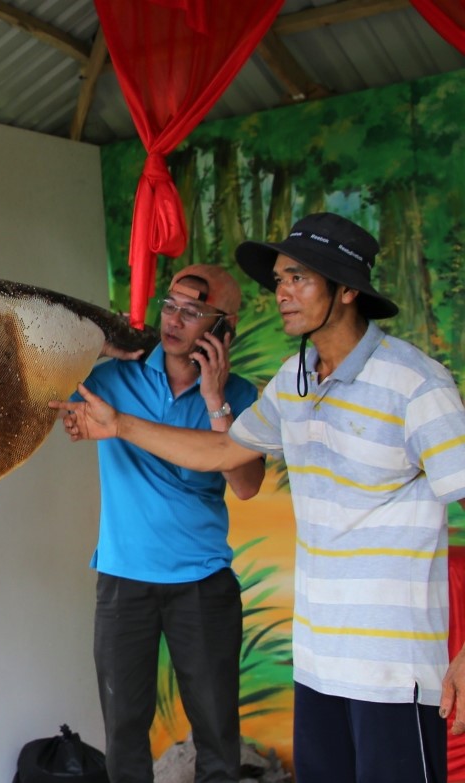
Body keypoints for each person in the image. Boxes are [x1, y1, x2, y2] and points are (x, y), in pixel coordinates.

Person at [56, 213, 465, 783]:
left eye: (299, 278)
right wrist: (119, 424)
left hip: (395, 674)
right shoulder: (294, 380)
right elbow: (225, 451)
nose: (282, 294)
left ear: (347, 290)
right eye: (279, 280)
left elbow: (239, 476)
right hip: (317, 667)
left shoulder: (417, 384)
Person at [64, 265, 264, 783]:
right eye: (170, 305)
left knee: (216, 731)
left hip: (202, 580)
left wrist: (215, 399)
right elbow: (38, 379)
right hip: (123, 576)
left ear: (224, 327)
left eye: (192, 312)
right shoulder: (112, 379)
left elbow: (246, 484)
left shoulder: (240, 396)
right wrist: (99, 346)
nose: (173, 320)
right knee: (124, 732)